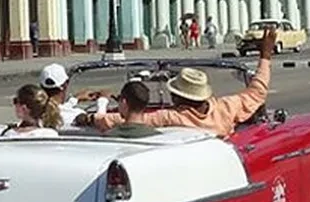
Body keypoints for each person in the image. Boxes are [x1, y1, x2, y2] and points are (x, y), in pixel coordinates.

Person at [76, 27, 278, 139]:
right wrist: (265, 56)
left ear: (178, 97)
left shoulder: (171, 117)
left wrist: (91, 118)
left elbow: (132, 120)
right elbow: (257, 92)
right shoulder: (225, 108)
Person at [39, 63, 106, 127]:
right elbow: (101, 122)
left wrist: (75, 99)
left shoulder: (36, 113)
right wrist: (103, 100)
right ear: (66, 84)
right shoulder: (76, 115)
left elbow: (58, 109)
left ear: (41, 86)